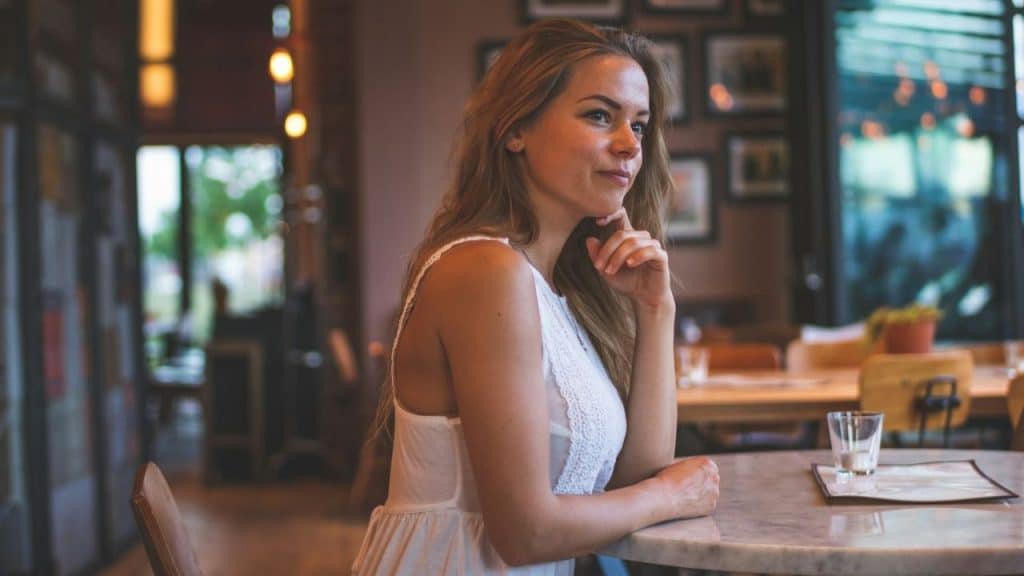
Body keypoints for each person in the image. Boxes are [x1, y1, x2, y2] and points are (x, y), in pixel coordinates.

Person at [352, 18, 720, 574]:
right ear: (515, 129)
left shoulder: (553, 288)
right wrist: (673, 496)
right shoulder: (484, 270)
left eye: (639, 126)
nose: (628, 145)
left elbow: (634, 481)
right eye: (600, 115)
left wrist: (654, 310)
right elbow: (526, 533)